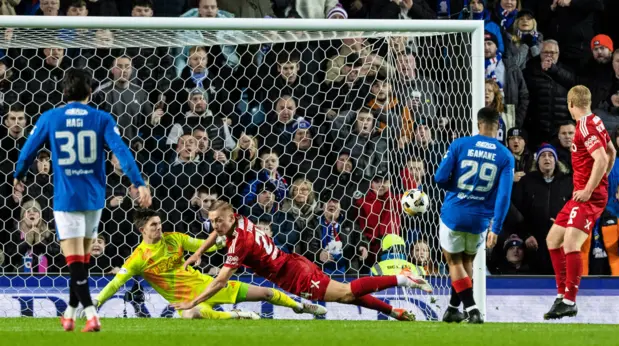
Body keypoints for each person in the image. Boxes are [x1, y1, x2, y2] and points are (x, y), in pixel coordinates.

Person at [12, 68, 152, 332]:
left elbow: (28, 151)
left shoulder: (51, 117)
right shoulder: (101, 118)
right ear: (90, 91)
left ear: (64, 91)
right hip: (94, 198)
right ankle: (69, 313)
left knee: (75, 262)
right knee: (82, 260)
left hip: (66, 199)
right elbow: (121, 151)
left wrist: (18, 174)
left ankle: (91, 314)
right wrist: (139, 182)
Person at [173, 201, 433, 321]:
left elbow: (220, 282)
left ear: (231, 218)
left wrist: (194, 301)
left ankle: (403, 279)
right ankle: (393, 312)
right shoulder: (239, 220)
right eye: (213, 220)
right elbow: (216, 233)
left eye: (219, 220)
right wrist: (198, 252)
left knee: (345, 291)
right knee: (345, 296)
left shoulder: (240, 242)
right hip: (294, 262)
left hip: (293, 275)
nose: (215, 225)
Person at [94, 209, 326, 320]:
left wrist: (224, 240)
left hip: (209, 285)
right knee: (193, 313)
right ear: (142, 229)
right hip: (186, 300)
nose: (159, 228)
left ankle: (302, 306)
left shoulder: (175, 239)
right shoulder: (138, 258)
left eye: (159, 223)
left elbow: (202, 244)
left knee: (265, 292)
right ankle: (237, 316)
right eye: (154, 225)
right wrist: (97, 301)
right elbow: (116, 283)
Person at [434, 107, 515, 324]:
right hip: (480, 219)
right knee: (467, 260)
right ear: (498, 126)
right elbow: (504, 196)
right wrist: (495, 228)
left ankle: (472, 310)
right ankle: (452, 309)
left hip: (454, 213)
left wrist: (457, 187)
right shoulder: (505, 155)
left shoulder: (460, 144)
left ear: (478, 123)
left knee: (453, 261)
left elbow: (439, 177)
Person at [544, 85, 616, 320]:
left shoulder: (584, 126)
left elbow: (602, 157)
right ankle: (561, 294)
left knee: (571, 244)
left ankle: (569, 300)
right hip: (586, 192)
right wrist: (601, 181)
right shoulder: (596, 121)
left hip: (587, 195)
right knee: (553, 239)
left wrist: (590, 189)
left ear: (570, 104)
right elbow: (612, 152)